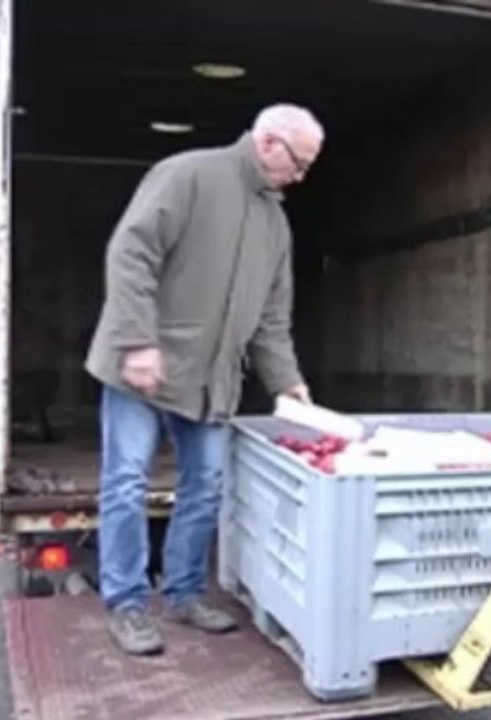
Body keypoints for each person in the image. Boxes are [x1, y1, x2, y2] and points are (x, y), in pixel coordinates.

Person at [83, 103, 323, 656]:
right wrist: (137, 340)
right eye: (299, 163)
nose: (301, 176)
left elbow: (272, 317)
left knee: (207, 484)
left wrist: (287, 382)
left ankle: (184, 593)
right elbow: (130, 254)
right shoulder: (188, 174)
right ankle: (126, 603)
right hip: (143, 364)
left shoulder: (274, 223)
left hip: (211, 377)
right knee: (127, 481)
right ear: (269, 142)